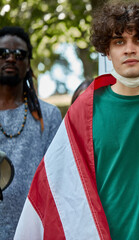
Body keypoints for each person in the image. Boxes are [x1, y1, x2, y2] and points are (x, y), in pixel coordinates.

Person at [14, 1, 139, 239]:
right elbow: (59, 188)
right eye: (119, 42)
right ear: (107, 51)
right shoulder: (83, 111)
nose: (129, 49)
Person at [0, 26, 62, 239]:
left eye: (19, 54)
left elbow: (57, 178)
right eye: (3, 53)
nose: (10, 59)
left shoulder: (49, 115)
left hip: (33, 230)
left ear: (28, 64)